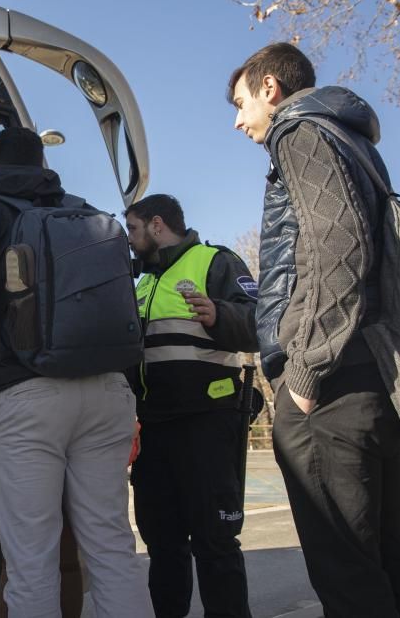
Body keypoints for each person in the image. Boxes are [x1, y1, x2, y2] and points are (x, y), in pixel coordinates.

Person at [227, 42, 400, 617]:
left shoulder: (299, 132)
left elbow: (340, 248)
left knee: (345, 567)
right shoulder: (347, 137)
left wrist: (305, 368)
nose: (239, 120)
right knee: (387, 555)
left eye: (242, 102)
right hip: (366, 371)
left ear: (270, 88)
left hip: (331, 384)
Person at [0, 126, 153, 618]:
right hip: (107, 393)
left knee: (32, 565)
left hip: (24, 398)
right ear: (43, 165)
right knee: (112, 551)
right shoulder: (85, 213)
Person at [124, 194, 258, 618]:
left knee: (215, 542)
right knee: (162, 545)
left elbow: (259, 324)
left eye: (132, 229)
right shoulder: (141, 280)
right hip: (153, 431)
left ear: (157, 224)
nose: (129, 239)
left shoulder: (215, 262)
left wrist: (218, 314)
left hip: (207, 425)